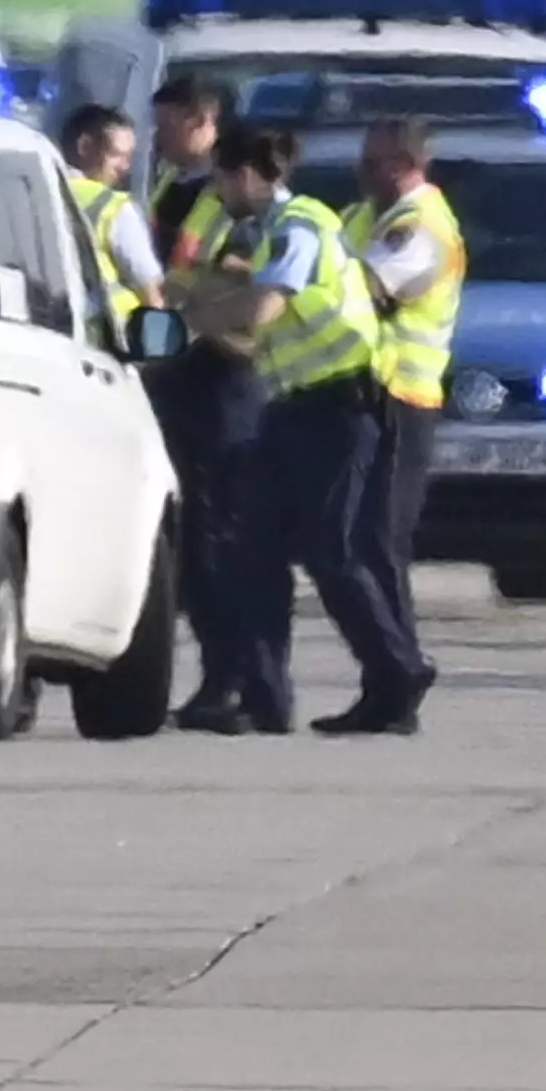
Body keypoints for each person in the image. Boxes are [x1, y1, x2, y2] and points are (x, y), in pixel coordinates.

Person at [183, 124, 431, 736]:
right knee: (252, 548)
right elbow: (254, 318)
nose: (215, 190)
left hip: (340, 406)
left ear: (245, 174)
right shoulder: (266, 232)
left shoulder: (301, 225)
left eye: (219, 177)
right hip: (294, 408)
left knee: (335, 552)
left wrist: (200, 313)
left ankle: (397, 675)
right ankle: (266, 696)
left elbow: (266, 307)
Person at [138, 75, 261, 725]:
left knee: (216, 535)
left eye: (167, 125)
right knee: (186, 536)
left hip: (223, 376)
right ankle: (220, 675)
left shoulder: (232, 197)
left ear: (203, 120)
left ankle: (234, 679)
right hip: (176, 372)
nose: (158, 138)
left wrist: (187, 306)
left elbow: (240, 283)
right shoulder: (177, 187)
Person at [352, 114, 470, 619]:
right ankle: (389, 670)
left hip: (404, 398)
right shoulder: (370, 215)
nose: (360, 170)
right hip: (370, 394)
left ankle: (401, 664)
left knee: (382, 539)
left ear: (404, 164)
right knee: (362, 537)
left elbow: (364, 288)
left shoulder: (422, 228)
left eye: (371, 161)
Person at [58, 101, 163, 325]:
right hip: (111, 341)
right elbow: (150, 289)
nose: (125, 167)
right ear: (85, 147)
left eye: (128, 157)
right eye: (117, 155)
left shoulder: (35, 195)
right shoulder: (113, 208)